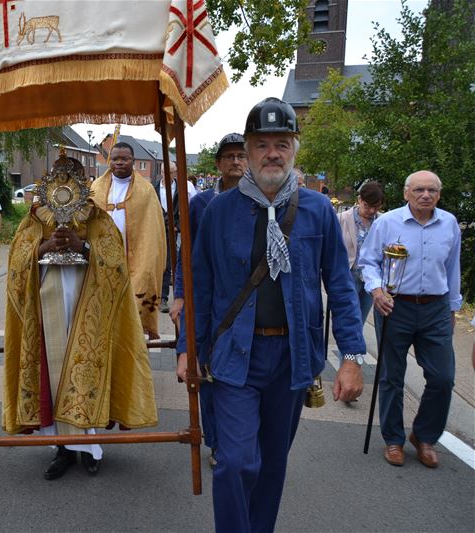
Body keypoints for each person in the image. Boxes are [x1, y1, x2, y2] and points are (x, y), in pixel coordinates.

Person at [177, 98, 365, 532]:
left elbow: (340, 285)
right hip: (233, 356)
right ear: (248, 150)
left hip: (292, 357)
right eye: (262, 145)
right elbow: (199, 286)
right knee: (236, 462)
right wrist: (189, 347)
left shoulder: (317, 210)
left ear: (294, 148)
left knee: (272, 463)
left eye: (282, 144)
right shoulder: (218, 211)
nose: (272, 154)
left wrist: (352, 357)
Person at [2, 155, 158, 480]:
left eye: (70, 176)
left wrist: (83, 247)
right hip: (48, 302)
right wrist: (44, 248)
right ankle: (62, 448)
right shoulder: (36, 215)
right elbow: (17, 260)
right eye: (58, 176)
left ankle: (91, 448)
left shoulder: (97, 217)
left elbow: (116, 266)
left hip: (88, 305)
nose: (64, 182)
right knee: (55, 375)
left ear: (82, 182)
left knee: (86, 373)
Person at [359, 170, 461, 469]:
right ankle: (393, 439)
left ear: (439, 194)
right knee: (392, 375)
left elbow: (453, 268)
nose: (425, 195)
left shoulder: (449, 223)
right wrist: (376, 291)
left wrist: (452, 309)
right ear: (406, 193)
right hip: (395, 306)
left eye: (432, 190)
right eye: (419, 190)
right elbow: (368, 261)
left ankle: (424, 436)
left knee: (443, 377)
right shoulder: (388, 222)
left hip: (436, 308)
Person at [170, 131, 247, 467]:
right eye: (229, 157)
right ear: (218, 164)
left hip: (245, 302)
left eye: (241, 156)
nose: (236, 162)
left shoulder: (260, 201)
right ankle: (216, 442)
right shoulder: (201, 203)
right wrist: (180, 295)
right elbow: (186, 255)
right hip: (208, 299)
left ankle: (239, 438)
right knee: (207, 372)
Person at [92, 142, 166, 338]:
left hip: (136, 255)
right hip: (103, 256)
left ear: (133, 161)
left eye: (125, 159)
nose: (119, 162)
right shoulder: (96, 187)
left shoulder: (146, 190)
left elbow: (153, 228)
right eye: (115, 158)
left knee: (135, 298)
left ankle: (133, 340)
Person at [338, 181, 384, 326]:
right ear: (359, 200)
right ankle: (349, 341)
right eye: (367, 205)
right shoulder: (342, 218)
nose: (371, 211)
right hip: (349, 273)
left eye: (376, 207)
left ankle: (355, 340)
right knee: (349, 316)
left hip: (372, 277)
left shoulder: (382, 221)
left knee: (361, 318)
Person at [155, 161, 197, 313]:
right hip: (158, 230)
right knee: (159, 263)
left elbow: (190, 209)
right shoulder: (153, 188)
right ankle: (158, 296)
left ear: (175, 173)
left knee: (174, 262)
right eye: (165, 172)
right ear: (161, 173)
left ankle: (171, 297)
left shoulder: (184, 188)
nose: (168, 175)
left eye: (171, 172)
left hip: (175, 231)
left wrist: (178, 226)